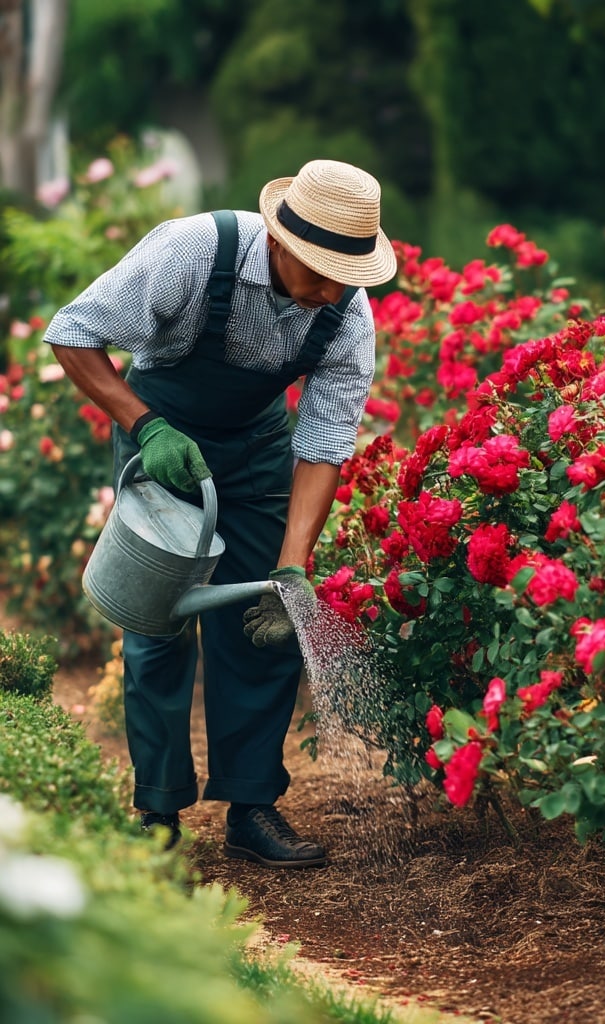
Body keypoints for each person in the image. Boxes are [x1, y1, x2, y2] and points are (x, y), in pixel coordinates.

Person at [45, 159, 397, 867]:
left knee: (263, 628)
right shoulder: (193, 250)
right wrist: (143, 425)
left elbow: (324, 447)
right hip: (163, 435)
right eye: (321, 272)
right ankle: (158, 812)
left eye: (346, 276)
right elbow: (73, 332)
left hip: (257, 450)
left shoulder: (345, 315)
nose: (333, 291)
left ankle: (252, 807)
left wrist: (291, 568)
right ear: (279, 242)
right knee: (158, 622)